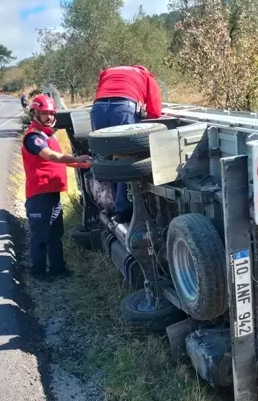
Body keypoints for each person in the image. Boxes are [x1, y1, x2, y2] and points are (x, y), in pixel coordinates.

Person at [22, 94, 91, 277]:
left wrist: (80, 163)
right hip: (39, 195)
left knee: (55, 234)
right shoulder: (33, 137)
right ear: (34, 113)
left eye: (52, 113)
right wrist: (76, 158)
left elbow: (59, 161)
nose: (49, 117)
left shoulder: (48, 136)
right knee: (40, 237)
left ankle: (57, 269)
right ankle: (38, 272)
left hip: (52, 193)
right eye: (44, 113)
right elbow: (51, 156)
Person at [90, 65, 162, 223]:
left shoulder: (107, 72)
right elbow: (155, 112)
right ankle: (125, 208)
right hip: (123, 108)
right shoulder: (145, 75)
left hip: (98, 109)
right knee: (125, 157)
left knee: (107, 157)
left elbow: (103, 94)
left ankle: (113, 204)